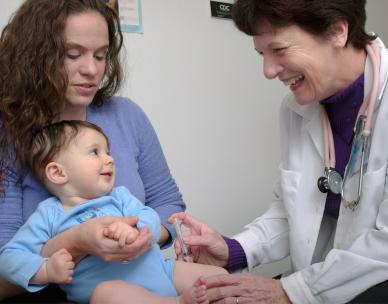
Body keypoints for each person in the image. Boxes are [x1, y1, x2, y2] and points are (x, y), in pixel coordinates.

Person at [170, 0, 388, 303]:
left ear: (337, 31)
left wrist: (290, 292)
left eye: (279, 50)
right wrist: (233, 250)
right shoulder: (296, 109)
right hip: (321, 283)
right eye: (262, 54)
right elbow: (292, 212)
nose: (268, 71)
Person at [0, 0, 185, 300]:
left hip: (147, 275)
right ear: (34, 56)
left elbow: (168, 204)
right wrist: (77, 244)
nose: (91, 70)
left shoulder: (127, 116)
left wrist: (140, 236)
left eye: (101, 55)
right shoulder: (8, 135)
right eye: (73, 55)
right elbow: (5, 267)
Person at [0, 120, 226, 304]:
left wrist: (134, 228)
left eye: (107, 152)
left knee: (221, 279)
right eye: (94, 152)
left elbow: (150, 216)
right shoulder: (49, 214)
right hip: (115, 294)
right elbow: (9, 257)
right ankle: (177, 302)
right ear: (58, 173)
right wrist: (46, 269)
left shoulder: (119, 197)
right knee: (107, 294)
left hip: (163, 273)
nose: (109, 159)